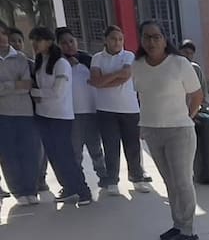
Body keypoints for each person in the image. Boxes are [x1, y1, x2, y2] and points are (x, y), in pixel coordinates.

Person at [132, 20, 203, 240]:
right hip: (153, 132)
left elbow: (197, 95)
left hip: (179, 132)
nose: (151, 41)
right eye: (146, 37)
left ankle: (189, 230)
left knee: (182, 182)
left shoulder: (179, 63)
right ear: (141, 40)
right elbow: (143, 97)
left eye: (156, 37)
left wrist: (187, 118)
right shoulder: (138, 65)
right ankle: (178, 224)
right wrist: (145, 125)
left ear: (165, 39)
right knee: (169, 182)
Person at [29, 27, 92, 205]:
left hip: (60, 117)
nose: (34, 44)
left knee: (66, 156)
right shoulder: (40, 60)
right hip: (43, 115)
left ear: (48, 41)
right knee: (54, 156)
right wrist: (38, 94)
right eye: (33, 40)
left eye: (37, 40)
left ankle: (83, 191)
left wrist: (33, 91)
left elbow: (58, 91)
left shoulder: (61, 63)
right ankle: (69, 187)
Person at [90, 25, 149, 193]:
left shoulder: (129, 56)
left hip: (129, 109)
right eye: (113, 39)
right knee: (110, 146)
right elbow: (96, 80)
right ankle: (112, 181)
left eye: (120, 39)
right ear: (106, 40)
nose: (117, 42)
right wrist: (115, 76)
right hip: (105, 110)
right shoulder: (97, 58)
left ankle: (137, 178)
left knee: (132, 146)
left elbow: (124, 76)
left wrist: (105, 80)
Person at [56, 27, 110, 190]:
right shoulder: (58, 63)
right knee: (75, 152)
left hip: (92, 112)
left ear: (76, 41)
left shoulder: (88, 60)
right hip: (72, 114)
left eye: (71, 41)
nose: (69, 45)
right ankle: (79, 182)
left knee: (96, 148)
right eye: (64, 43)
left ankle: (104, 176)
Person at [0, 20, 38, 205]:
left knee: (29, 153)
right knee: (8, 155)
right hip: (3, 114)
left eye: (2, 33)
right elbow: (19, 85)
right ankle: (18, 191)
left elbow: (26, 85)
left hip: (24, 113)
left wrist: (5, 86)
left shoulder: (21, 58)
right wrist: (14, 84)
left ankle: (31, 189)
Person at [9, 26, 49, 193]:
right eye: (13, 41)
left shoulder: (32, 64)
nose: (17, 44)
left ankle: (40, 179)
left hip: (34, 111)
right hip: (11, 112)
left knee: (39, 149)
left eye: (19, 41)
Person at [179, 39, 209, 109]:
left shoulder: (195, 69)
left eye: (191, 53)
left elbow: (202, 91)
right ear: (179, 52)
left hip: (192, 109)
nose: (188, 55)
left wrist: (202, 106)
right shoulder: (173, 68)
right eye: (185, 52)